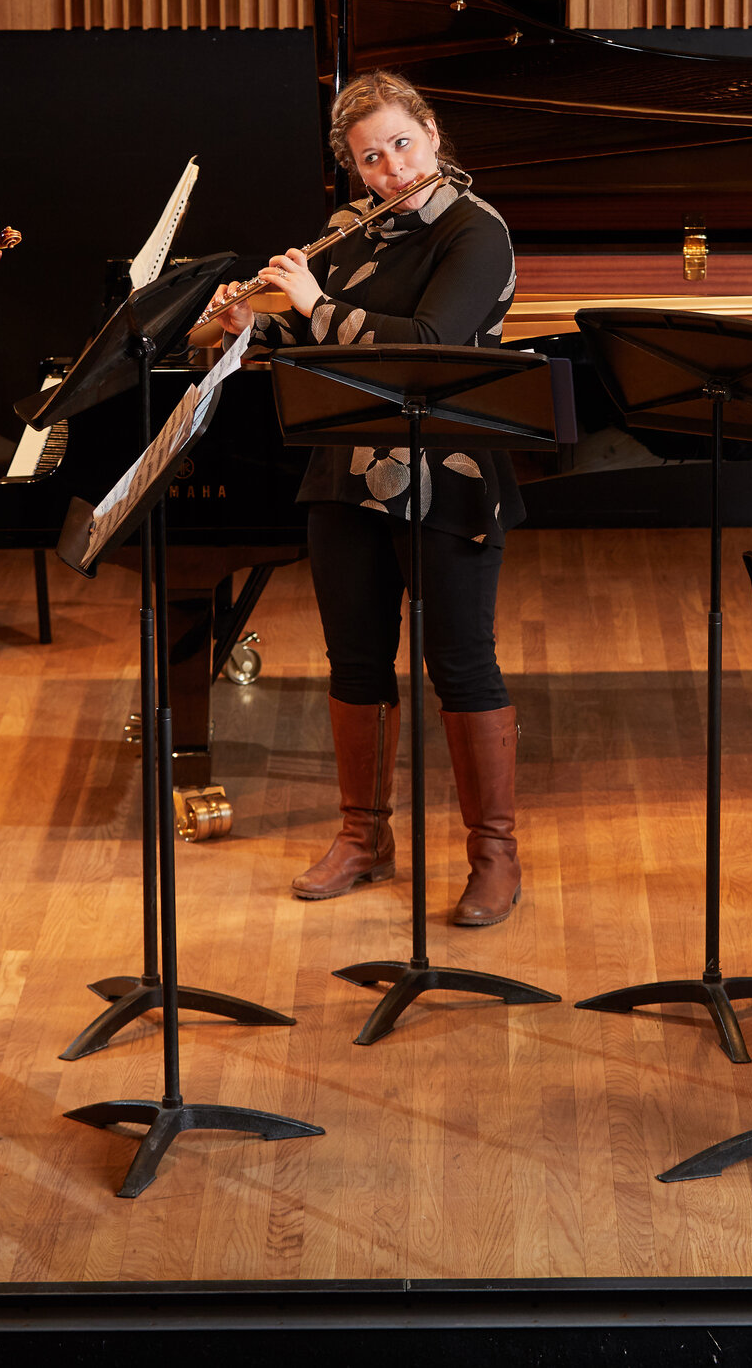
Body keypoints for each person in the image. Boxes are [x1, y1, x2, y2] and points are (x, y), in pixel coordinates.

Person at [208, 71, 527, 925]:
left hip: (447, 472)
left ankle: (495, 853)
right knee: (354, 658)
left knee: (461, 661)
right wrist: (252, 320)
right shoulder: (351, 230)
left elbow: (428, 342)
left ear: (430, 130)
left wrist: (310, 305)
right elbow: (303, 327)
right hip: (345, 467)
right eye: (369, 160)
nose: (391, 169)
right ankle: (363, 836)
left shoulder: (477, 232)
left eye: (401, 145)